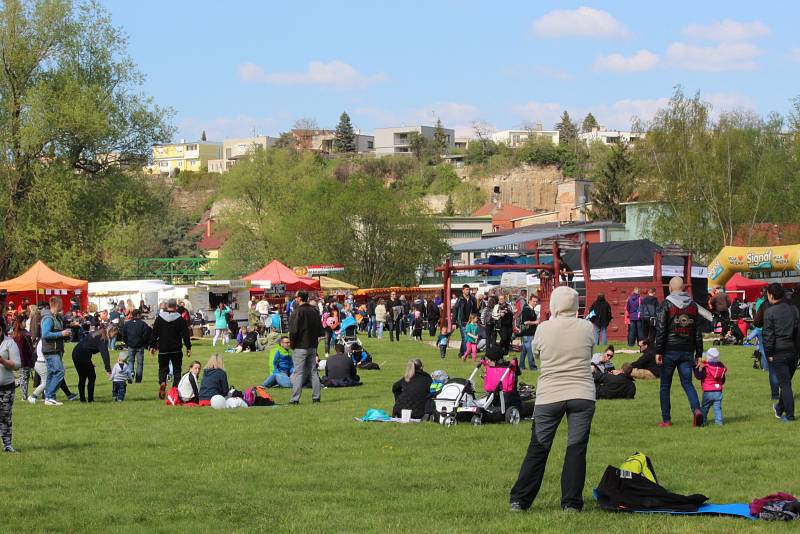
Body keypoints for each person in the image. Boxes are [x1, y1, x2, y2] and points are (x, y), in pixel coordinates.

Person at [509, 286, 595, 513]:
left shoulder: (544, 328)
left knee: (538, 447)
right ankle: (571, 503)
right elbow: (589, 349)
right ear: (576, 305)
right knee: (576, 448)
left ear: (555, 305)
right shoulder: (587, 327)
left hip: (550, 395)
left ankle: (520, 500)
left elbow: (537, 353)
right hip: (582, 393)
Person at [654, 277, 703, 428]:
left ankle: (666, 419)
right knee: (687, 383)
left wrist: (658, 351)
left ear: (670, 288)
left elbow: (661, 329)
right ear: (683, 288)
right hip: (687, 350)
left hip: (669, 350)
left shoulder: (666, 304)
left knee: (665, 386)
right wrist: (699, 354)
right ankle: (696, 411)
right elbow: (697, 332)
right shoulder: (693, 306)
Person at [763, 283, 797, 422]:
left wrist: (769, 353)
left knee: (785, 385)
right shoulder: (793, 309)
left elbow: (768, 335)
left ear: (770, 295)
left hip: (779, 351)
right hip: (793, 350)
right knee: (786, 382)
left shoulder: (770, 312)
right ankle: (779, 408)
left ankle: (790, 416)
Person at [150, 298, 192, 400]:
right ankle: (174, 389)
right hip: (176, 349)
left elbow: (154, 333)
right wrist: (188, 347)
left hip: (163, 348)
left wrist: (152, 346)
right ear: (175, 307)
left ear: (166, 306)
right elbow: (185, 334)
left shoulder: (159, 318)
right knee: (177, 370)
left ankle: (163, 382)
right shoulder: (180, 319)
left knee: (162, 368)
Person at [288, 291, 323, 404]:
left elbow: (293, 331)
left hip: (300, 346)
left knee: (298, 373)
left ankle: (295, 399)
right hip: (312, 345)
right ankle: (316, 397)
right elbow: (320, 330)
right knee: (313, 371)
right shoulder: (314, 311)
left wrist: (292, 345)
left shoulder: (297, 312)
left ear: (299, 299)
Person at [40, 296, 74, 406]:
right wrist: (61, 334)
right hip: (50, 350)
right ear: (56, 304)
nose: (63, 305)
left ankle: (49, 397)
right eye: (61, 303)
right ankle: (49, 396)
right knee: (60, 372)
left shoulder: (57, 318)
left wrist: (64, 334)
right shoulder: (48, 318)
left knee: (52, 373)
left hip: (55, 350)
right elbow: (45, 334)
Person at [71, 326, 116, 403]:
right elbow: (105, 354)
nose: (115, 336)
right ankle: (90, 399)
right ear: (110, 331)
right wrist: (108, 370)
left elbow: (87, 345)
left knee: (82, 377)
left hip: (76, 352)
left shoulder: (98, 333)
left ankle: (83, 399)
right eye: (115, 334)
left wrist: (89, 360)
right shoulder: (103, 338)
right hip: (82, 355)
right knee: (92, 377)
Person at [0, 325, 21, 452]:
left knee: (5, 416)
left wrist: (3, 361)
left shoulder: (9, 343)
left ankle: (7, 445)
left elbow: (17, 365)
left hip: (5, 387)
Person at [693, 347, 726, 426]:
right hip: (718, 391)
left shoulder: (705, 367)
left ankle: (703, 422)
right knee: (718, 408)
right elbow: (723, 380)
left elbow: (699, 376)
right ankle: (719, 423)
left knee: (704, 408)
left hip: (708, 392)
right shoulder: (720, 368)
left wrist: (696, 368)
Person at [120, 309, 151, 383]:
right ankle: (138, 379)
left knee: (130, 361)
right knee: (140, 363)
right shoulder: (143, 324)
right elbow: (146, 335)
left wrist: (127, 343)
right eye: (140, 314)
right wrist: (144, 343)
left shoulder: (127, 324)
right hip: (140, 346)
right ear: (138, 315)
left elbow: (123, 334)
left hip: (130, 345)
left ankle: (131, 373)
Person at [11, 316, 35, 401]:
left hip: (28, 359)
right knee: (24, 378)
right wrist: (21, 361)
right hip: (23, 360)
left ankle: (12, 384)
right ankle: (24, 397)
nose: (26, 323)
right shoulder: (19, 335)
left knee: (25, 377)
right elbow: (19, 349)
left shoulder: (25, 332)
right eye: (25, 321)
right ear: (21, 323)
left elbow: (29, 346)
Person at [453, 285, 477, 358]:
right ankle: (465, 354)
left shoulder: (472, 299)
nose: (468, 291)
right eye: (466, 290)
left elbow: (475, 310)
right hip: (462, 322)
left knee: (465, 338)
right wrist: (454, 322)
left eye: (468, 290)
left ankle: (461, 353)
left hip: (470, 322)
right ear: (463, 290)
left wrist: (475, 320)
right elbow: (455, 310)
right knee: (465, 338)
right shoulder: (460, 299)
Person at [519, 295, 539, 371]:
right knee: (531, 351)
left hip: (527, 334)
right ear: (529, 301)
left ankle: (521, 366)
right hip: (528, 333)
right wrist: (536, 322)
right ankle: (533, 367)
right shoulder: (526, 310)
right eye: (534, 301)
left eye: (536, 301)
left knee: (524, 351)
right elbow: (525, 322)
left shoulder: (531, 309)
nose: (535, 303)